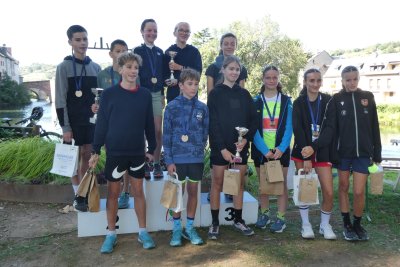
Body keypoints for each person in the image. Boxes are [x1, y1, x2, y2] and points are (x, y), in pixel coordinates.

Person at [89, 52, 157, 253]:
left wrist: (151, 149)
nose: (133, 71)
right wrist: (95, 150)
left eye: (136, 68)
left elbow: (149, 125)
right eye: (128, 67)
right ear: (120, 69)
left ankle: (143, 232)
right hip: (115, 152)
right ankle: (111, 234)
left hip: (137, 152)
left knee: (138, 192)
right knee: (112, 193)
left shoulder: (144, 94)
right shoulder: (109, 94)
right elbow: (101, 125)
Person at [320, 65, 381, 241]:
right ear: (342, 81)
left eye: (355, 79)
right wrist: (331, 153)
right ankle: (346, 224)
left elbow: (374, 126)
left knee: (359, 191)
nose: (352, 82)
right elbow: (331, 128)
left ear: (358, 79)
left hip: (363, 153)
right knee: (344, 187)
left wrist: (377, 153)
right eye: (348, 80)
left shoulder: (367, 97)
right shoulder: (336, 99)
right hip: (343, 153)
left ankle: (357, 224)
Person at [207, 55, 258, 239]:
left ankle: (238, 219)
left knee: (238, 184)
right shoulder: (215, 93)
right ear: (223, 70)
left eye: (237, 69)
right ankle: (214, 222)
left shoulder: (244, 94)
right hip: (220, 148)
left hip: (240, 147)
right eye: (231, 69)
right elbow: (212, 123)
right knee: (217, 183)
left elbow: (254, 121)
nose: (234, 72)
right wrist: (222, 148)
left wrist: (245, 141)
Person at [163, 68, 209, 246]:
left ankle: (189, 227)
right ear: (180, 85)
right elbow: (167, 135)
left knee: (192, 193)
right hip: (177, 160)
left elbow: (205, 133)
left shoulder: (202, 108)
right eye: (190, 84)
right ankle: (176, 229)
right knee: (178, 195)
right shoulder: (172, 107)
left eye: (196, 84)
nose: (193, 87)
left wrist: (197, 149)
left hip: (195, 159)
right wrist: (169, 160)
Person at [55, 25, 101, 200]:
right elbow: (60, 99)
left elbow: (100, 98)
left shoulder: (96, 67)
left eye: (85, 39)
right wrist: (65, 127)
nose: (83, 43)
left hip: (90, 121)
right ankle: (77, 195)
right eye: (78, 39)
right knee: (72, 161)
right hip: (72, 121)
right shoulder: (63, 67)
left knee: (87, 156)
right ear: (70, 42)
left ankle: (84, 193)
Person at [291, 68, 336, 240]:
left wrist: (314, 148)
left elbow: (330, 129)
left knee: (329, 191)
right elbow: (298, 129)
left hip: (323, 151)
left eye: (318, 80)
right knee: (305, 189)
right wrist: (307, 156)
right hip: (302, 151)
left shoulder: (328, 101)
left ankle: (325, 225)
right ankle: (306, 224)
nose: (315, 84)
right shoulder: (299, 102)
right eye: (311, 81)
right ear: (305, 82)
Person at [251, 65, 293, 233]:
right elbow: (253, 128)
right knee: (264, 185)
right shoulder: (255, 101)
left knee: (280, 185)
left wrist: (281, 148)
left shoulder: (286, 101)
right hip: (262, 151)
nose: (271, 80)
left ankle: (281, 218)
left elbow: (290, 127)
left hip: (280, 151)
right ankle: (265, 214)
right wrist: (264, 150)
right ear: (263, 79)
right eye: (268, 77)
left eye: (274, 77)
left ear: (278, 79)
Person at [95, 39, 132, 209]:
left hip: (129, 123)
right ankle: (113, 193)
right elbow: (98, 99)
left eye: (124, 51)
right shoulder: (102, 75)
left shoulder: (131, 73)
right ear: (111, 54)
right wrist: (95, 106)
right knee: (112, 157)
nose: (121, 54)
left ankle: (125, 192)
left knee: (128, 159)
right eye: (118, 51)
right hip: (110, 124)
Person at [133, 19, 166, 179]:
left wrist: (162, 94)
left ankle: (157, 163)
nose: (152, 33)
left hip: (156, 94)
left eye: (155, 30)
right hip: (141, 94)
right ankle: (144, 162)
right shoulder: (137, 51)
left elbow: (163, 74)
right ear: (142, 31)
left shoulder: (161, 52)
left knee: (157, 131)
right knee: (143, 132)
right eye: (149, 30)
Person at [164, 22, 202, 103]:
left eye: (187, 31)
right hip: (173, 96)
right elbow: (163, 74)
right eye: (181, 30)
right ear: (174, 33)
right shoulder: (168, 52)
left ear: (189, 34)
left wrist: (180, 67)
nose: (184, 33)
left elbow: (198, 73)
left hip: (191, 97)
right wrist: (168, 81)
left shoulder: (194, 52)